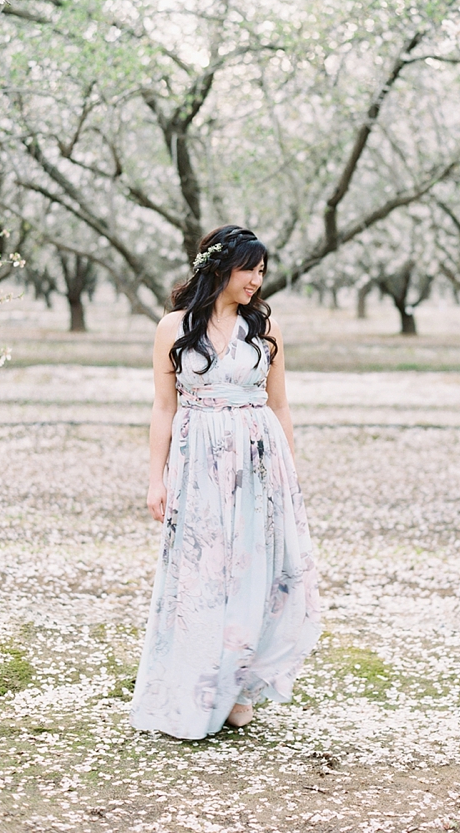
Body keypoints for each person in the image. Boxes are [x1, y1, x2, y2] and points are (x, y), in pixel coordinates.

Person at [130, 225, 322, 740]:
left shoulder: (265, 327)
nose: (256, 281)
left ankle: (238, 688)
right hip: (198, 465)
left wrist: (290, 478)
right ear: (219, 267)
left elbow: (279, 405)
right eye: (248, 270)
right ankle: (194, 684)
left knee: (253, 572)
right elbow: (163, 407)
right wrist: (156, 479)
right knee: (202, 572)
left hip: (259, 460)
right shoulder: (174, 327)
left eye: (262, 272)